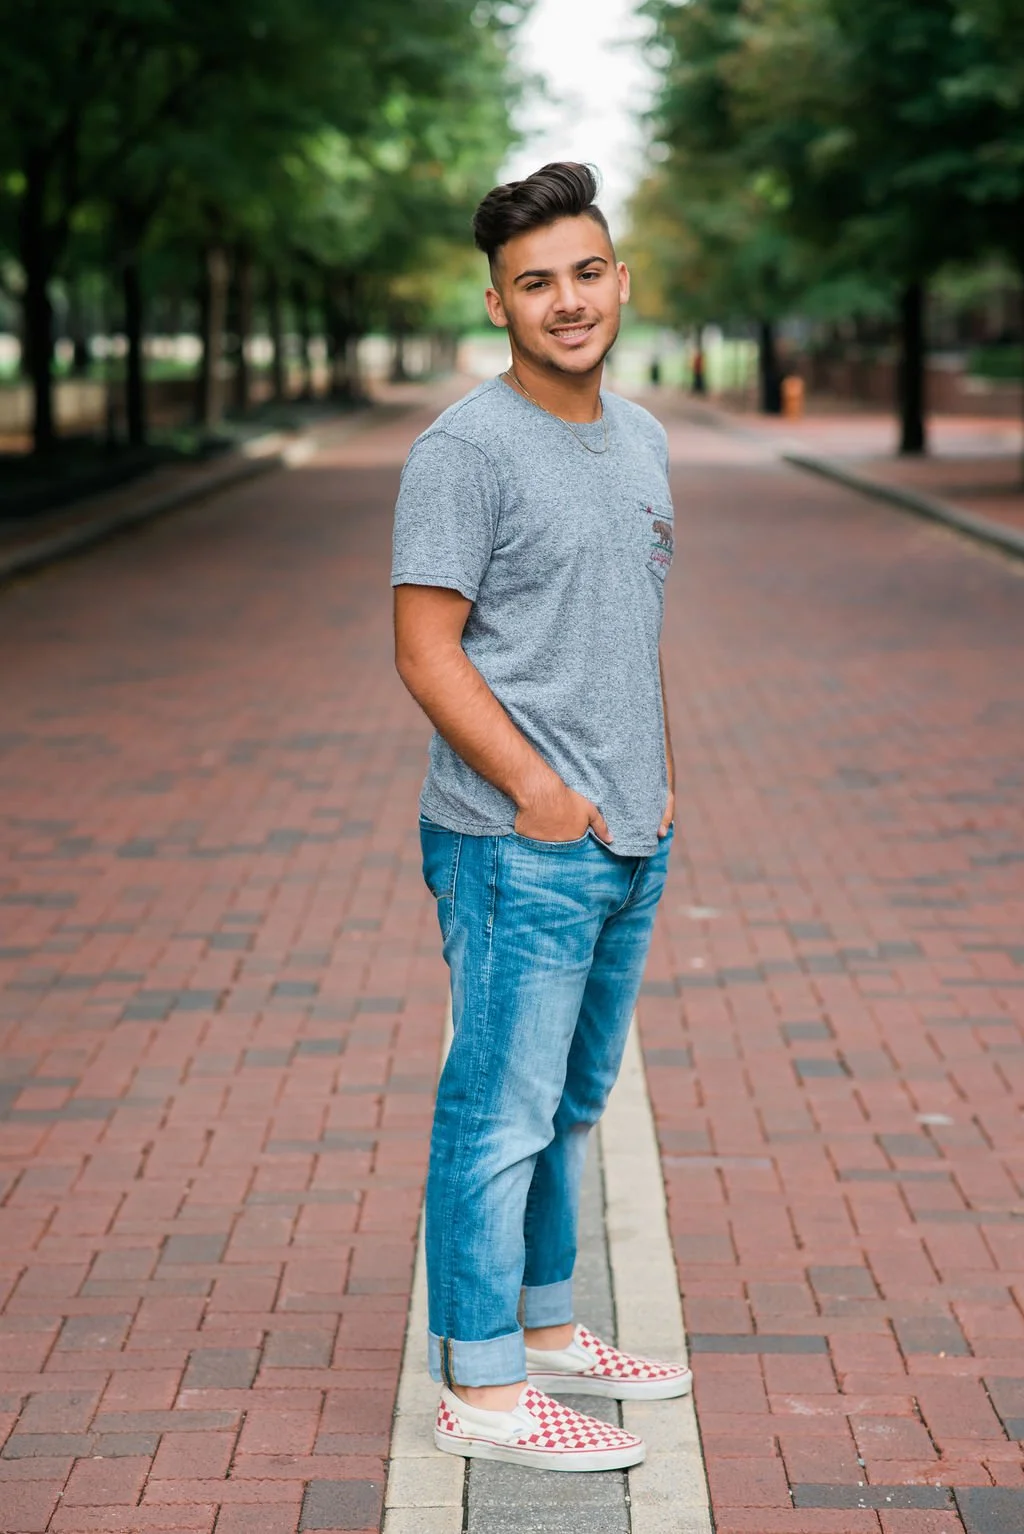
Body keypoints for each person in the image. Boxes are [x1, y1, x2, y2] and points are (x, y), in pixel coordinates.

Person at [391, 161, 690, 1474]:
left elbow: (626, 624)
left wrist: (651, 774)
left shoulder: (643, 438)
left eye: (584, 272)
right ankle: (484, 1391)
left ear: (619, 279)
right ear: (499, 304)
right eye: (535, 283)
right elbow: (425, 649)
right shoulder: (464, 450)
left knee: (568, 1102)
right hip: (521, 842)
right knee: (496, 1113)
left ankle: (552, 1326)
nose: (566, 301)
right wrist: (537, 793)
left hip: (627, 832)